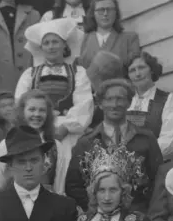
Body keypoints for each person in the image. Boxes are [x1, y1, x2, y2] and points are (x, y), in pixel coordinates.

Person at [65, 79, 162, 214]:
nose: (114, 105)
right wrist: (95, 207)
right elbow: (73, 185)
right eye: (109, 99)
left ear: (129, 102)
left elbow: (158, 180)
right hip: (98, 218)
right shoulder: (85, 143)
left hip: (138, 216)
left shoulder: (146, 139)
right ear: (100, 104)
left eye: (120, 99)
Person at [15, 18, 93, 154]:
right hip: (37, 131)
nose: (51, 46)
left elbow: (84, 104)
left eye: (55, 42)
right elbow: (20, 103)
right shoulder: (30, 74)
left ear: (64, 45)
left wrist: (65, 128)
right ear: (41, 47)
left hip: (68, 135)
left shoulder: (78, 73)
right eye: (46, 43)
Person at [0, 90, 68, 192]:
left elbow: (59, 188)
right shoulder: (5, 145)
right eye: (32, 109)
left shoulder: (56, 147)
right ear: (22, 112)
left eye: (42, 110)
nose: (37, 114)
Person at [126, 51, 173, 158]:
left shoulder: (166, 99)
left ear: (152, 70)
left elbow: (170, 137)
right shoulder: (124, 101)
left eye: (141, 68)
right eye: (132, 70)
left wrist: (143, 155)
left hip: (155, 163)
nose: (137, 74)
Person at [78, 0, 141, 69]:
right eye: (101, 10)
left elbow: (134, 68)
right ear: (93, 14)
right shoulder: (86, 38)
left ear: (116, 13)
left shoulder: (130, 38)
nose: (105, 14)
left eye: (109, 9)